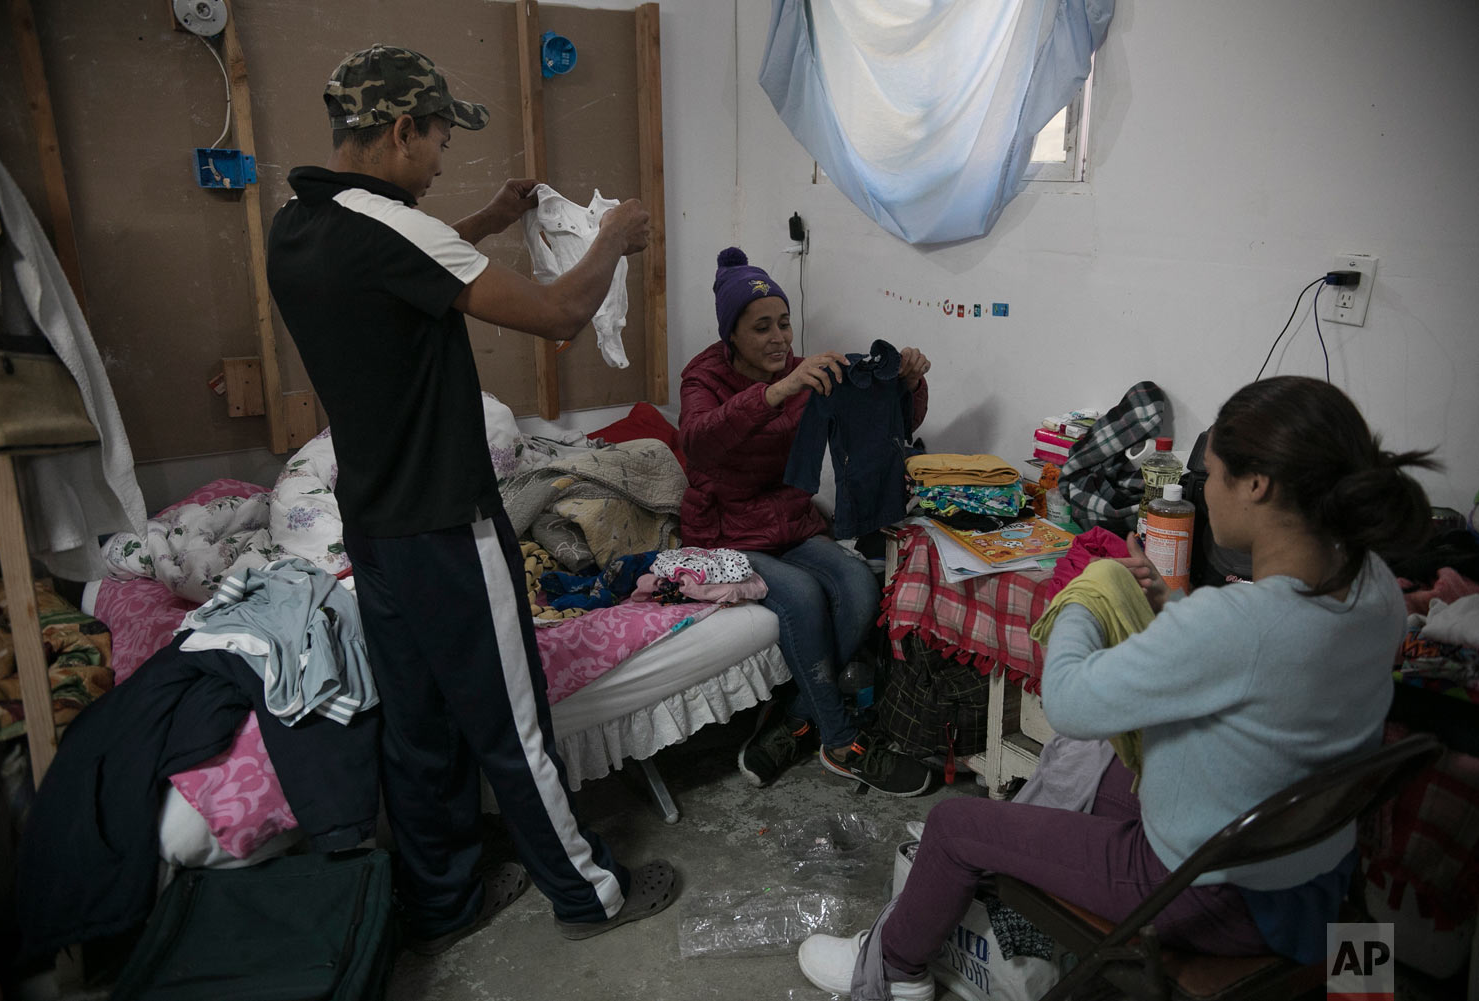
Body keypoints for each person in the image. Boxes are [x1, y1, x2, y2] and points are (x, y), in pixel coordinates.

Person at [796, 375, 1436, 1000]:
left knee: (957, 825)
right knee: (1099, 778)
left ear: (1259, 486)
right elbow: (1251, 652)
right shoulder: (1373, 585)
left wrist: (1085, 592)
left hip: (1208, 893)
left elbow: (1073, 703)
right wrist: (1175, 600)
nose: (1204, 490)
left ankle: (894, 968)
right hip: (1317, 867)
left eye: (1211, 474)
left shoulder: (1241, 624)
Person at [265, 45, 677, 955]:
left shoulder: (300, 223)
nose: (446, 156)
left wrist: (486, 221)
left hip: (373, 525)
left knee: (419, 728)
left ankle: (443, 899)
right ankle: (588, 892)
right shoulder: (395, 230)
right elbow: (563, 314)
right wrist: (613, 238)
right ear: (402, 129)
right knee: (512, 723)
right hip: (447, 522)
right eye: (442, 136)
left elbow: (398, 265)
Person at [677, 246, 934, 796]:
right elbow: (697, 443)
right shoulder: (703, 378)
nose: (779, 339)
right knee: (802, 596)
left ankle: (793, 721)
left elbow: (879, 425)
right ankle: (841, 740)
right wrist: (774, 393)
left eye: (785, 324)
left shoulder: (804, 373)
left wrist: (908, 384)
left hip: (787, 517)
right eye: (762, 327)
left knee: (861, 586)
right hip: (723, 528)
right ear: (732, 336)